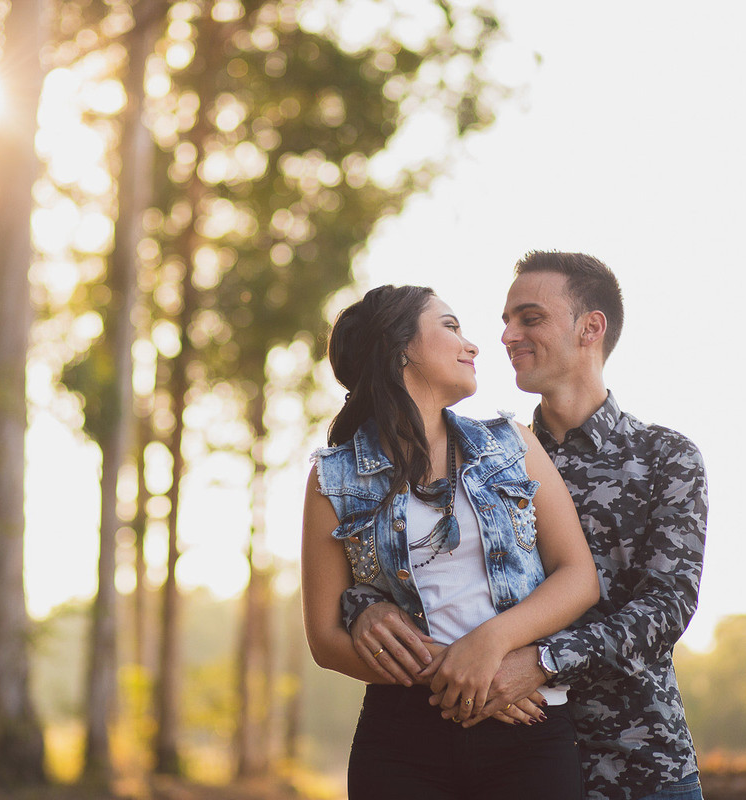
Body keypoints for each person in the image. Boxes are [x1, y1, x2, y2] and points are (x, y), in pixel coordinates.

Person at [345, 253, 709, 800]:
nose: (507, 336)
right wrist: (363, 607)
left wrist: (540, 664)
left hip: (638, 762)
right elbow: (413, 565)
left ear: (591, 328)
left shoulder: (665, 458)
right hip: (502, 757)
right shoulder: (480, 454)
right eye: (505, 321)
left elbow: (665, 608)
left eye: (529, 318)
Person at [301, 284, 599, 800]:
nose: (474, 344)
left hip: (528, 730)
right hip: (401, 741)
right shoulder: (333, 478)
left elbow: (578, 576)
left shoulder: (512, 444)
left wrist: (490, 646)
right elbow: (326, 638)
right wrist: (457, 673)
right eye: (450, 326)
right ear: (401, 351)